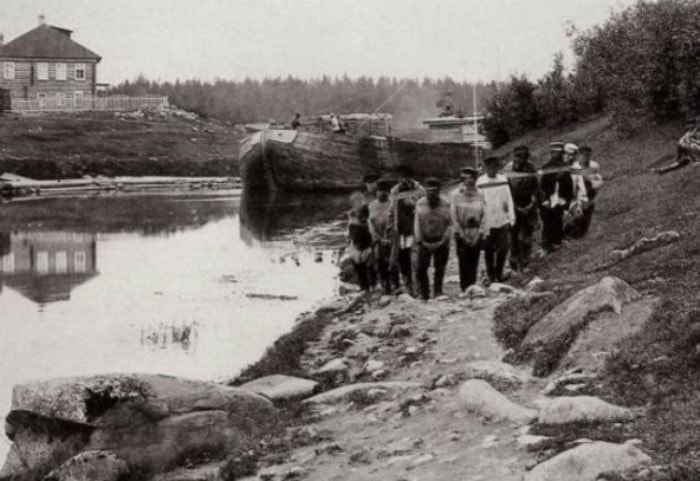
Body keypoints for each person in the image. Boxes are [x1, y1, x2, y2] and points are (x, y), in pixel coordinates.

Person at [477, 156, 515, 284]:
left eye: (494, 167)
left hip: (502, 219)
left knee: (503, 248)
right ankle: (490, 274)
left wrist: (511, 216)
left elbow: (509, 198)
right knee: (488, 249)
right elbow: (478, 202)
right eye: (489, 167)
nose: (492, 170)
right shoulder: (480, 182)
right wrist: (480, 222)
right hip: (487, 221)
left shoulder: (503, 179)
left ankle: (499, 272)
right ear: (486, 168)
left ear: (497, 168)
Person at [389, 165, 426, 295]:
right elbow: (392, 212)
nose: (403, 180)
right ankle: (409, 287)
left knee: (417, 261)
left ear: (411, 177)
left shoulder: (420, 189)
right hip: (401, 231)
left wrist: (413, 204)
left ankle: (419, 288)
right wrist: (391, 229)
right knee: (403, 259)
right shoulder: (395, 190)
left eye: (406, 176)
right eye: (401, 177)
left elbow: (426, 208)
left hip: (416, 230)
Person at [414, 177, 452, 300]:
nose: (431, 193)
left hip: (441, 241)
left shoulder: (446, 204)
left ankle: (438, 292)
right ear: (425, 190)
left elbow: (450, 224)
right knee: (421, 269)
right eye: (429, 190)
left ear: (439, 190)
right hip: (424, 242)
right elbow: (417, 223)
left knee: (439, 268)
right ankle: (424, 294)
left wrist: (443, 241)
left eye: (434, 190)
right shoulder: (420, 203)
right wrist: (421, 241)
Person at [505, 145, 539, 272]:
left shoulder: (531, 168)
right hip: (514, 207)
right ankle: (514, 261)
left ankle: (525, 262)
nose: (522, 159)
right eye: (519, 156)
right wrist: (515, 207)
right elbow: (506, 191)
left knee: (526, 237)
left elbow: (537, 187)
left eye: (524, 156)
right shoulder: (507, 170)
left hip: (529, 206)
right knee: (513, 236)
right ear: (514, 156)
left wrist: (532, 203)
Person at [450, 167, 484, 291]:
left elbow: (484, 215)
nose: (467, 181)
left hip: (475, 231)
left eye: (470, 178)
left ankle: (473, 287)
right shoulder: (455, 194)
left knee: (474, 259)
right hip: (462, 231)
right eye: (464, 178)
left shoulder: (480, 193)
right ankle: (465, 288)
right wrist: (462, 235)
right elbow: (453, 216)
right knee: (463, 260)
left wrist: (479, 234)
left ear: (475, 179)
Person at [539, 142, 576, 253]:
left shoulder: (564, 167)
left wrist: (567, 200)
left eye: (560, 153)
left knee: (558, 220)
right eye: (555, 153)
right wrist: (544, 200)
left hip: (560, 198)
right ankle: (546, 245)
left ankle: (557, 242)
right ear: (551, 153)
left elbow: (568, 184)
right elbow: (541, 186)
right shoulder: (546, 167)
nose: (557, 155)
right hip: (549, 198)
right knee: (547, 222)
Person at [368, 179, 399, 294]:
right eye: (380, 190)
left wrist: (390, 237)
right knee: (380, 261)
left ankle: (396, 284)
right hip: (378, 239)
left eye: (385, 191)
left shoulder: (393, 204)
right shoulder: (371, 206)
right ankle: (385, 285)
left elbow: (396, 221)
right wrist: (378, 238)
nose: (382, 193)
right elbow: (370, 223)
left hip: (392, 238)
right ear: (376, 192)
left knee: (393, 261)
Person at [572, 146, 603, 237]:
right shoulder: (575, 167)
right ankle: (572, 233)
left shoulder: (594, 165)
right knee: (578, 214)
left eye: (588, 155)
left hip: (590, 192)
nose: (586, 157)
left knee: (588, 213)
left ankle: (582, 233)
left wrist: (596, 184)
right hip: (579, 194)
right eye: (584, 155)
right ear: (579, 155)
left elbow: (598, 178)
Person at [347, 193, 376, 292]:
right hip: (356, 244)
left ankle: (373, 286)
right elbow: (350, 230)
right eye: (355, 202)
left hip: (367, 243)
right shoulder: (352, 214)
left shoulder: (367, 211)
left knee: (371, 267)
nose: (358, 204)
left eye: (359, 201)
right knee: (359, 269)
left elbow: (369, 226)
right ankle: (364, 288)